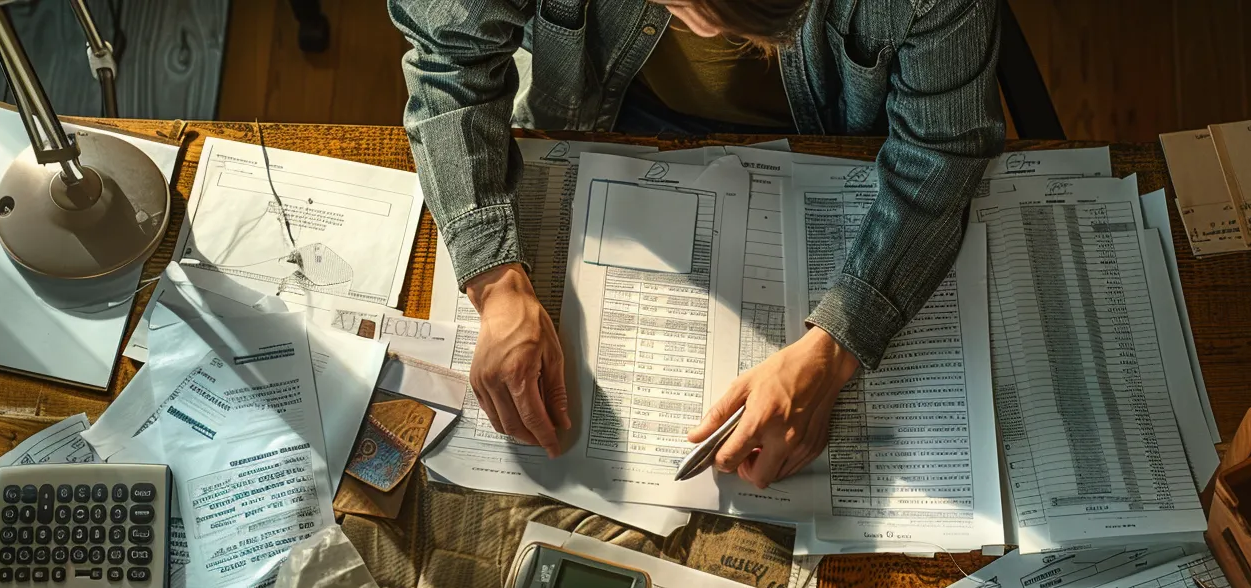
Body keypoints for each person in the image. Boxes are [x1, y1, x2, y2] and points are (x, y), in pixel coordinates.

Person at [392, 0, 1005, 490]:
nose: (711, 35)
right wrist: (496, 284)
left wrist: (835, 348)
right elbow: (449, 62)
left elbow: (939, 152)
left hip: (828, 145)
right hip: (591, 115)